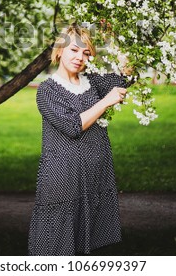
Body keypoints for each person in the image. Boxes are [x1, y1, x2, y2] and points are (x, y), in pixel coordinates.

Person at [28, 25, 129, 256]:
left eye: (86, 53)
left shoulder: (93, 82)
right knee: (56, 248)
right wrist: (105, 102)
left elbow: (126, 76)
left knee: (90, 248)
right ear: (60, 50)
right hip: (63, 181)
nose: (80, 57)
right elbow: (72, 126)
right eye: (74, 50)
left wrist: (114, 35)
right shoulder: (47, 90)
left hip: (94, 177)